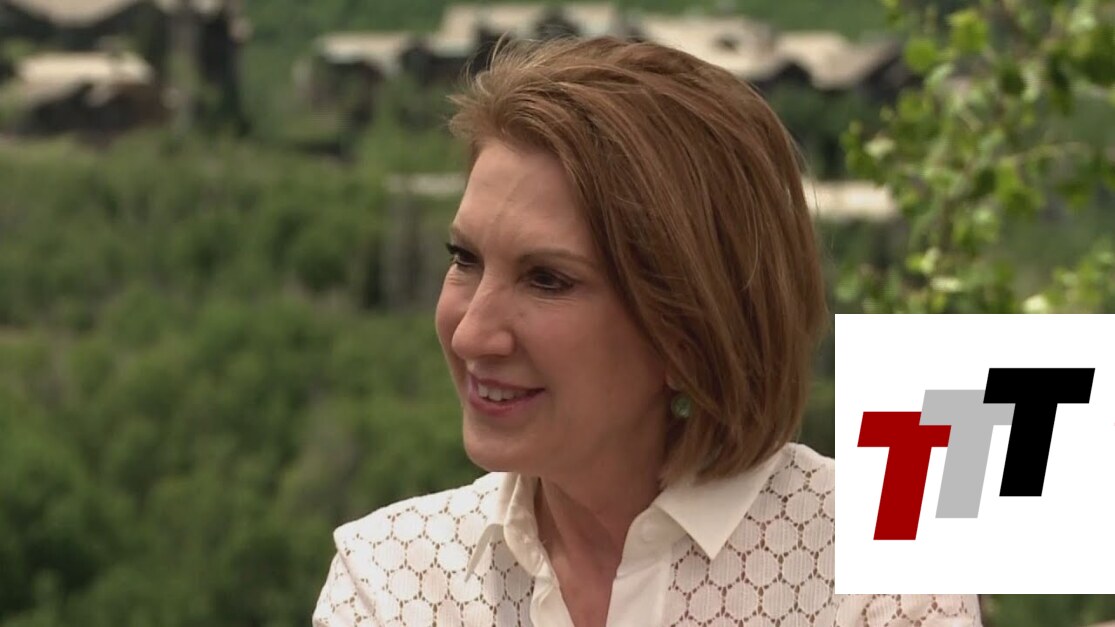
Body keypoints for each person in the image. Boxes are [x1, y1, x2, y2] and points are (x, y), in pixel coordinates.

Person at [312, 36, 982, 626]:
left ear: (690, 325)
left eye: (547, 279)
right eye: (465, 259)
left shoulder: (885, 567)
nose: (471, 335)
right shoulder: (392, 578)